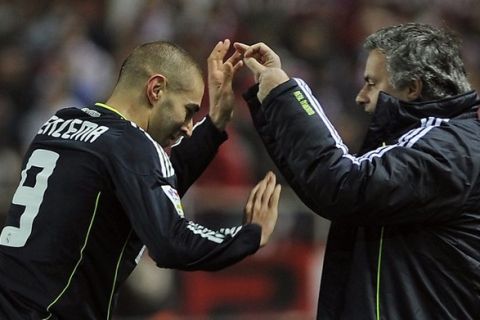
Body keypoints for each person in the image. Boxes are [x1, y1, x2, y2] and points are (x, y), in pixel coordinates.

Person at [0, 39, 281, 319]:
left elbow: (148, 187)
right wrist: (247, 235)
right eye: (189, 110)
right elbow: (170, 241)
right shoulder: (132, 144)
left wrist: (216, 122)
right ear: (156, 89)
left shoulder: (58, 123)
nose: (188, 128)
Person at [236, 22, 480, 319]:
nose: (361, 96)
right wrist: (271, 102)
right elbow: (325, 189)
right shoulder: (438, 143)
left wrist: (286, 94)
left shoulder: (449, 147)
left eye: (372, 83)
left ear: (412, 88)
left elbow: (343, 184)